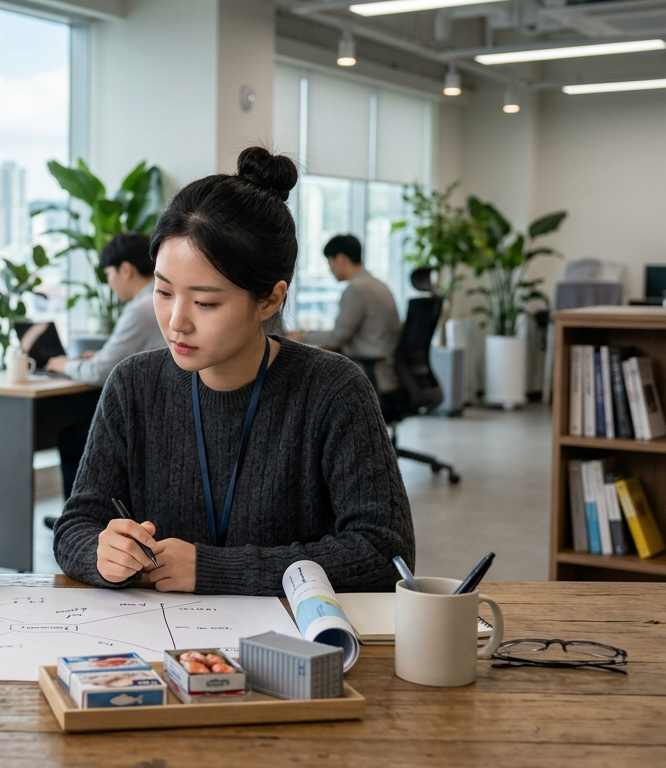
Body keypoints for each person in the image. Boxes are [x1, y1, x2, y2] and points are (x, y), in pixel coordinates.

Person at [51, 147, 415, 596]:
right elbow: (74, 527)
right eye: (164, 292)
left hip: (292, 650)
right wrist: (101, 551)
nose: (176, 321)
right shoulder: (134, 384)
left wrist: (215, 569)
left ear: (270, 300)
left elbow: (384, 553)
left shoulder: (333, 389)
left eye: (205, 302)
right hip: (157, 644)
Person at [42, 233, 166, 505]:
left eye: (109, 275)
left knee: (72, 437)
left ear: (126, 270)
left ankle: (77, 513)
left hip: (148, 417)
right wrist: (96, 357)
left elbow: (101, 371)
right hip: (158, 410)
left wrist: (65, 364)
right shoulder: (159, 299)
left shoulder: (142, 307)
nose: (110, 284)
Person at [289, 234, 402, 393]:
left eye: (329, 262)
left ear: (341, 259)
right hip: (385, 369)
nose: (330, 269)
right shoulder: (379, 285)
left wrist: (301, 337)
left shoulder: (356, 289)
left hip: (369, 372)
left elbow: (337, 338)